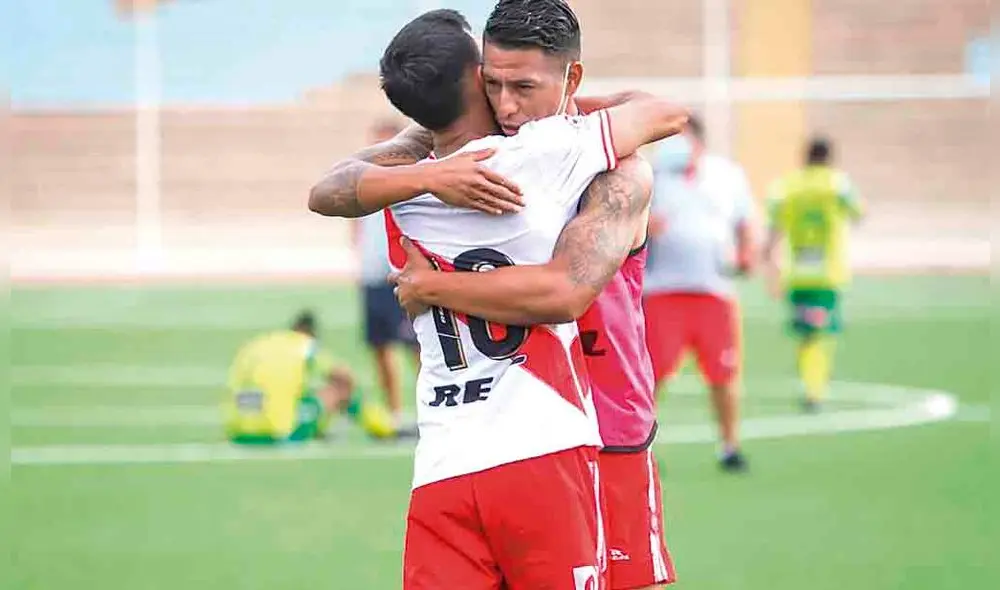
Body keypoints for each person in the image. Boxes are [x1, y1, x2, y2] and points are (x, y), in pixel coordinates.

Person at [308, 7, 686, 589]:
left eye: (524, 88)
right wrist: (431, 169)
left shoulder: (611, 168)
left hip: (608, 427)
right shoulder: (477, 161)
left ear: (571, 79)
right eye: (493, 84)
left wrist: (431, 283)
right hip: (538, 432)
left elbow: (567, 290)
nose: (507, 106)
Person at [641, 115, 756, 472]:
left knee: (723, 373)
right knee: (652, 374)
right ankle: (639, 447)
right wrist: (644, 226)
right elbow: (627, 222)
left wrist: (746, 253)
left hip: (713, 291)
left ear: (698, 141)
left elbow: (744, 221)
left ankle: (730, 446)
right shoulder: (651, 176)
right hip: (662, 291)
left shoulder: (727, 175)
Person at [763, 136, 864, 412]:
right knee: (822, 333)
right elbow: (859, 212)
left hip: (798, 273)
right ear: (829, 158)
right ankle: (815, 388)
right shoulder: (838, 184)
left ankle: (811, 380)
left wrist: (771, 268)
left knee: (807, 332)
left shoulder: (787, 186)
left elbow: (773, 228)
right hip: (828, 273)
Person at [223, 310, 407, 444]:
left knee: (297, 395)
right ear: (309, 333)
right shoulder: (303, 345)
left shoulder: (258, 344)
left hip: (237, 430)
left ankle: (317, 426)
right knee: (340, 390)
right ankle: (385, 428)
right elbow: (345, 376)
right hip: (274, 431)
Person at [353, 119, 419, 426]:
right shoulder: (362, 180)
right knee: (380, 346)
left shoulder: (411, 181)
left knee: (416, 347)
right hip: (372, 275)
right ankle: (394, 412)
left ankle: (431, 406)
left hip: (401, 275)